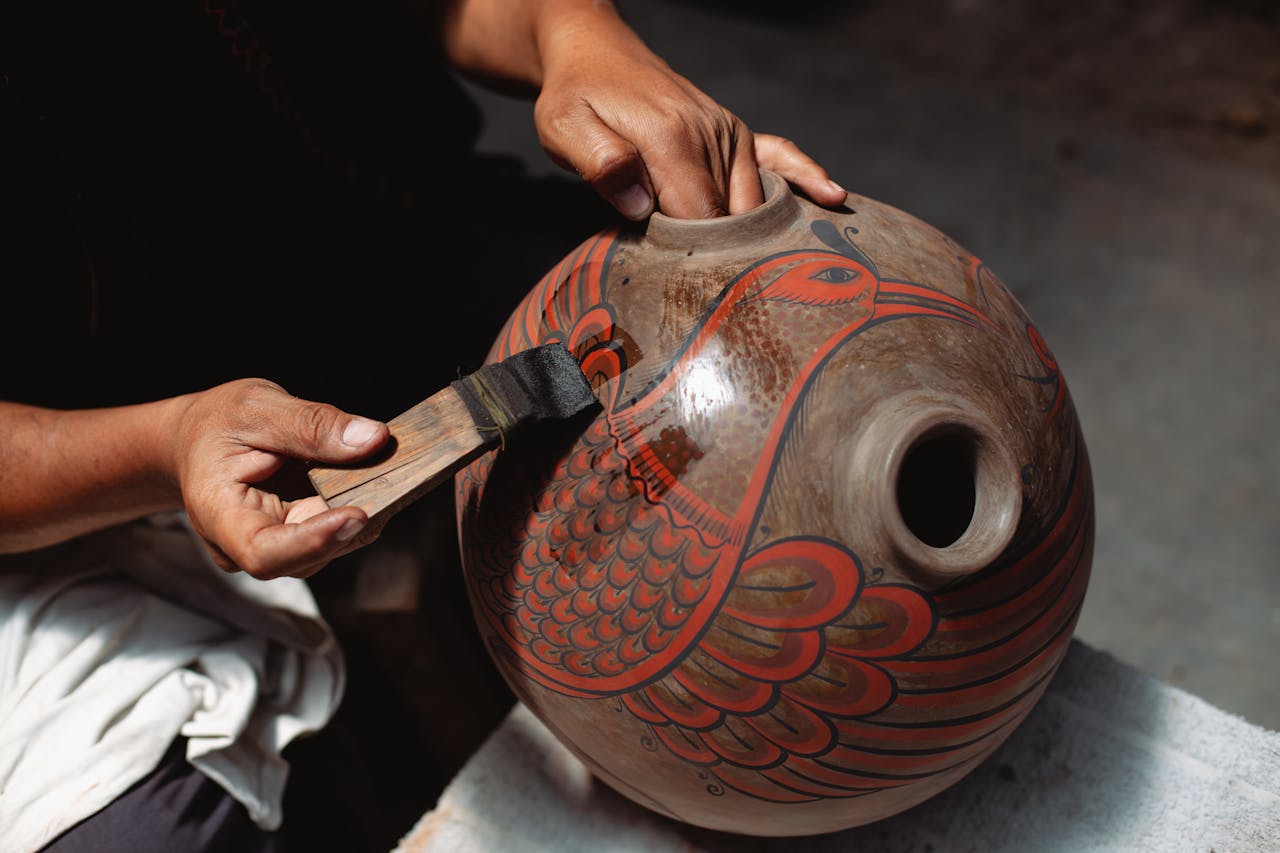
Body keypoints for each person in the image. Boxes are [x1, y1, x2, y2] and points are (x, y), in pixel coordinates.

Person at [0, 0, 844, 849]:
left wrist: (577, 36)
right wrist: (165, 447)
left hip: (405, 241)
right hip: (106, 447)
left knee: (784, 327)